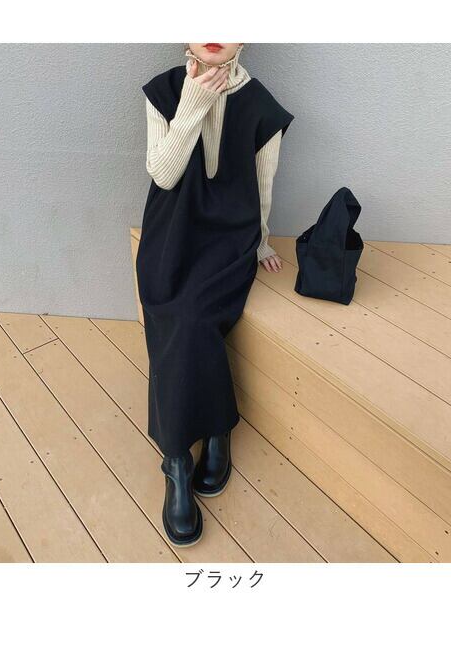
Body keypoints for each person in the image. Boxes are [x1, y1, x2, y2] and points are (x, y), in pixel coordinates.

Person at [136, 43, 294, 547]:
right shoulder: (164, 91)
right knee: (170, 307)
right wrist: (191, 106)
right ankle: (203, 441)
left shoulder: (260, 104)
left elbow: (264, 184)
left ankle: (178, 456)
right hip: (171, 231)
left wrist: (261, 241)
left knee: (193, 317)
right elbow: (162, 174)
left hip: (229, 237)